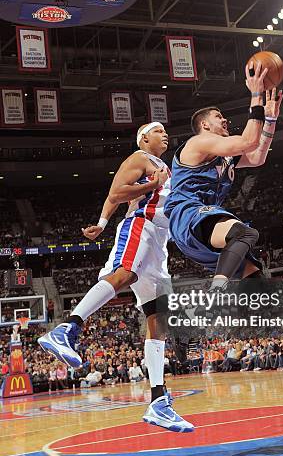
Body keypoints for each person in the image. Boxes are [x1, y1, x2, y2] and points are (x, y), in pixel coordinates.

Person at [39, 122, 193, 433]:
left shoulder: (164, 168)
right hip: (140, 226)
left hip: (159, 243)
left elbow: (112, 200)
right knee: (123, 274)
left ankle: (158, 400)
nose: (164, 134)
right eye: (158, 130)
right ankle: (67, 328)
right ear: (144, 138)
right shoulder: (140, 159)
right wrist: (151, 186)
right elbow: (117, 192)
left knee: (158, 320)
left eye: (165, 131)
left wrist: (100, 222)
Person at [164, 62, 283, 291]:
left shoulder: (223, 156)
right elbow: (248, 141)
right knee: (244, 232)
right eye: (219, 117)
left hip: (202, 228)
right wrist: (256, 95)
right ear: (205, 125)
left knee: (257, 281)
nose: (225, 120)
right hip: (187, 213)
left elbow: (257, 157)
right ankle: (218, 287)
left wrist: (271, 119)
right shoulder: (199, 142)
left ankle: (253, 325)